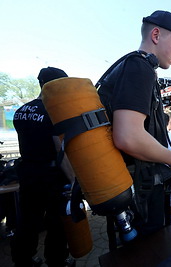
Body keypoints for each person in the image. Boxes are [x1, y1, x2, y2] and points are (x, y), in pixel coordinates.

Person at [97, 10, 171, 235]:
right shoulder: (139, 68)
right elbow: (128, 136)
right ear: (156, 35)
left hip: (134, 187)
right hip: (141, 193)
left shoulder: (130, 66)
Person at [11, 67, 75, 266]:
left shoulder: (21, 111)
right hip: (51, 176)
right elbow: (60, 151)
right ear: (54, 85)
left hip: (28, 173)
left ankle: (23, 260)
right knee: (57, 222)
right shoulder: (54, 112)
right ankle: (56, 261)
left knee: (28, 220)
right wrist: (74, 180)